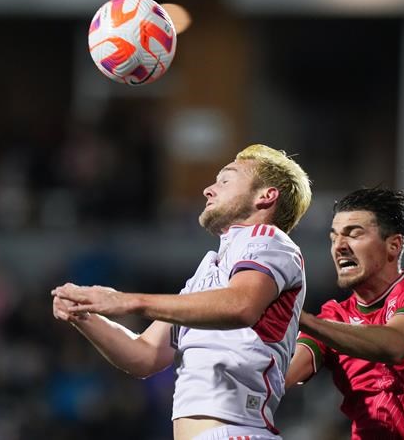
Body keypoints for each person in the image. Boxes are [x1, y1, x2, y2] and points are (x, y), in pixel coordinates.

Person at [51, 144, 311, 440]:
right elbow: (145, 354)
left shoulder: (270, 240)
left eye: (225, 180)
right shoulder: (210, 268)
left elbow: (241, 306)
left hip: (237, 431)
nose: (208, 190)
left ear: (266, 196)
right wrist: (84, 314)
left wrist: (127, 301)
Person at [285, 187, 404, 439]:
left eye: (354, 235)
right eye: (334, 238)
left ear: (393, 245)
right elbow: (282, 376)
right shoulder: (332, 318)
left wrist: (302, 319)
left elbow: (394, 345)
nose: (339, 246)